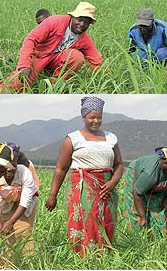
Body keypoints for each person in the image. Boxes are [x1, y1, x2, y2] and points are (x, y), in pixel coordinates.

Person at [45, 96, 123, 256]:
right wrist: (53, 195)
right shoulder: (73, 139)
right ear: (83, 117)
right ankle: (81, 257)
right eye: (91, 117)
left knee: (105, 221)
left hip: (106, 189)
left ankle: (103, 257)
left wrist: (113, 182)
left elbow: (119, 165)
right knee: (83, 222)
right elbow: (61, 168)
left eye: (99, 117)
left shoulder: (110, 138)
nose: (96, 121)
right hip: (81, 190)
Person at [0, 2, 105, 93]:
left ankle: (52, 87)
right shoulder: (54, 22)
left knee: (77, 57)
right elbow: (31, 39)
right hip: (39, 56)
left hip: (55, 61)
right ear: (72, 17)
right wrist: (24, 65)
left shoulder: (84, 39)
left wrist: (109, 79)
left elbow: (97, 60)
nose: (82, 24)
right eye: (80, 19)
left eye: (86, 22)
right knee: (20, 83)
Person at [123, 146, 167, 237]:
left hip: (160, 184)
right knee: (136, 209)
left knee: (159, 207)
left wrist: (166, 201)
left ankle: (158, 235)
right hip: (136, 172)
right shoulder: (150, 173)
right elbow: (137, 193)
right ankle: (136, 237)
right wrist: (142, 217)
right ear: (160, 160)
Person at [0, 143, 39, 256]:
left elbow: (25, 201)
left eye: (12, 164)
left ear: (16, 162)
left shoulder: (24, 172)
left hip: (24, 207)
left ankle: (26, 262)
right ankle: (6, 262)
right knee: (3, 234)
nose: (9, 169)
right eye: (6, 165)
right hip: (5, 203)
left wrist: (11, 221)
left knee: (23, 231)